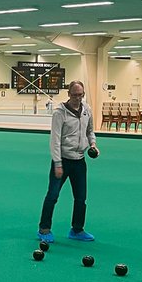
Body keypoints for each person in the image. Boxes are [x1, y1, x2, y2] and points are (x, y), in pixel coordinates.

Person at [37, 80, 99, 245]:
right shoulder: (60, 113)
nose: (78, 98)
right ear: (68, 94)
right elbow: (55, 140)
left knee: (81, 198)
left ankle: (77, 230)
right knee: (53, 195)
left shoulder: (87, 110)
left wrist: (93, 144)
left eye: (80, 95)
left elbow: (90, 130)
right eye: (74, 95)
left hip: (80, 161)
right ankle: (44, 229)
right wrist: (57, 163)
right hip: (62, 161)